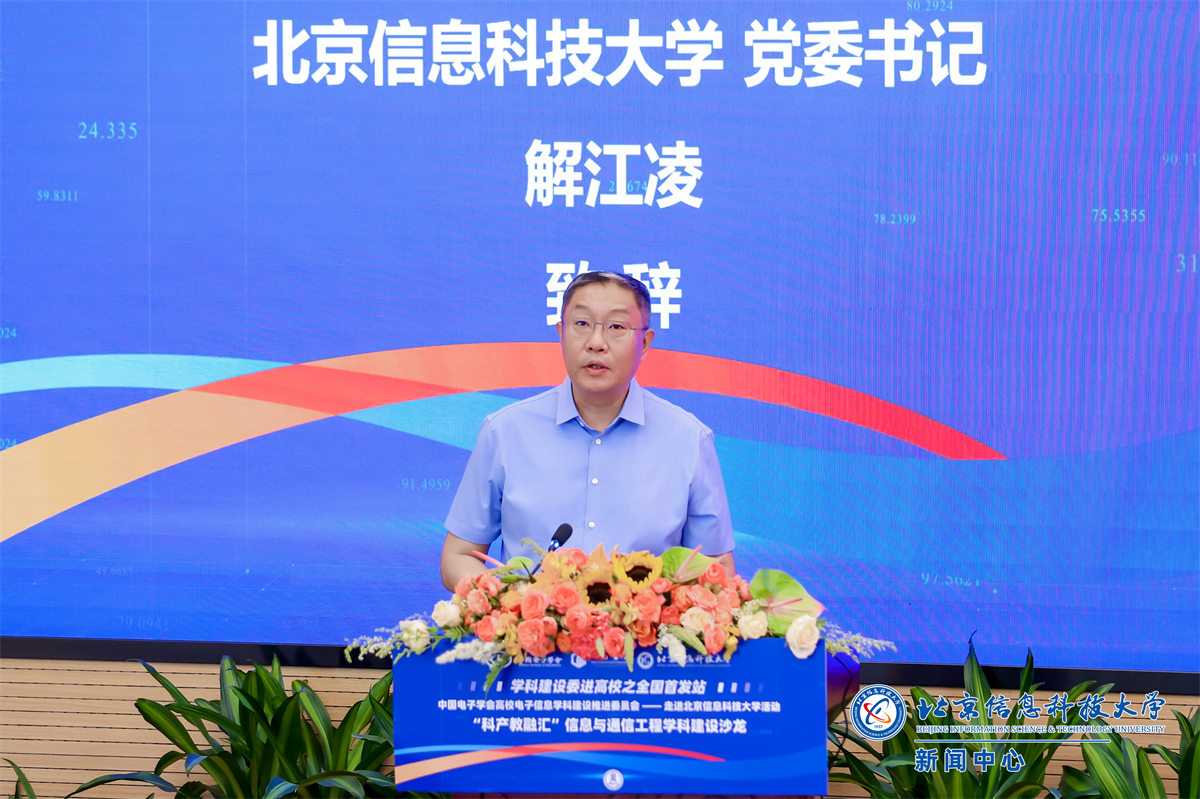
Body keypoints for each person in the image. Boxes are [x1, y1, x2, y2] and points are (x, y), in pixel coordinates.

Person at [439, 271, 735, 590]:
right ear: (561, 333)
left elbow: (717, 572)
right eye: (581, 323)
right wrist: (509, 600)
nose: (596, 343)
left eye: (616, 327)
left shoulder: (688, 439)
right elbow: (458, 555)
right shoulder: (505, 431)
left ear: (645, 343)